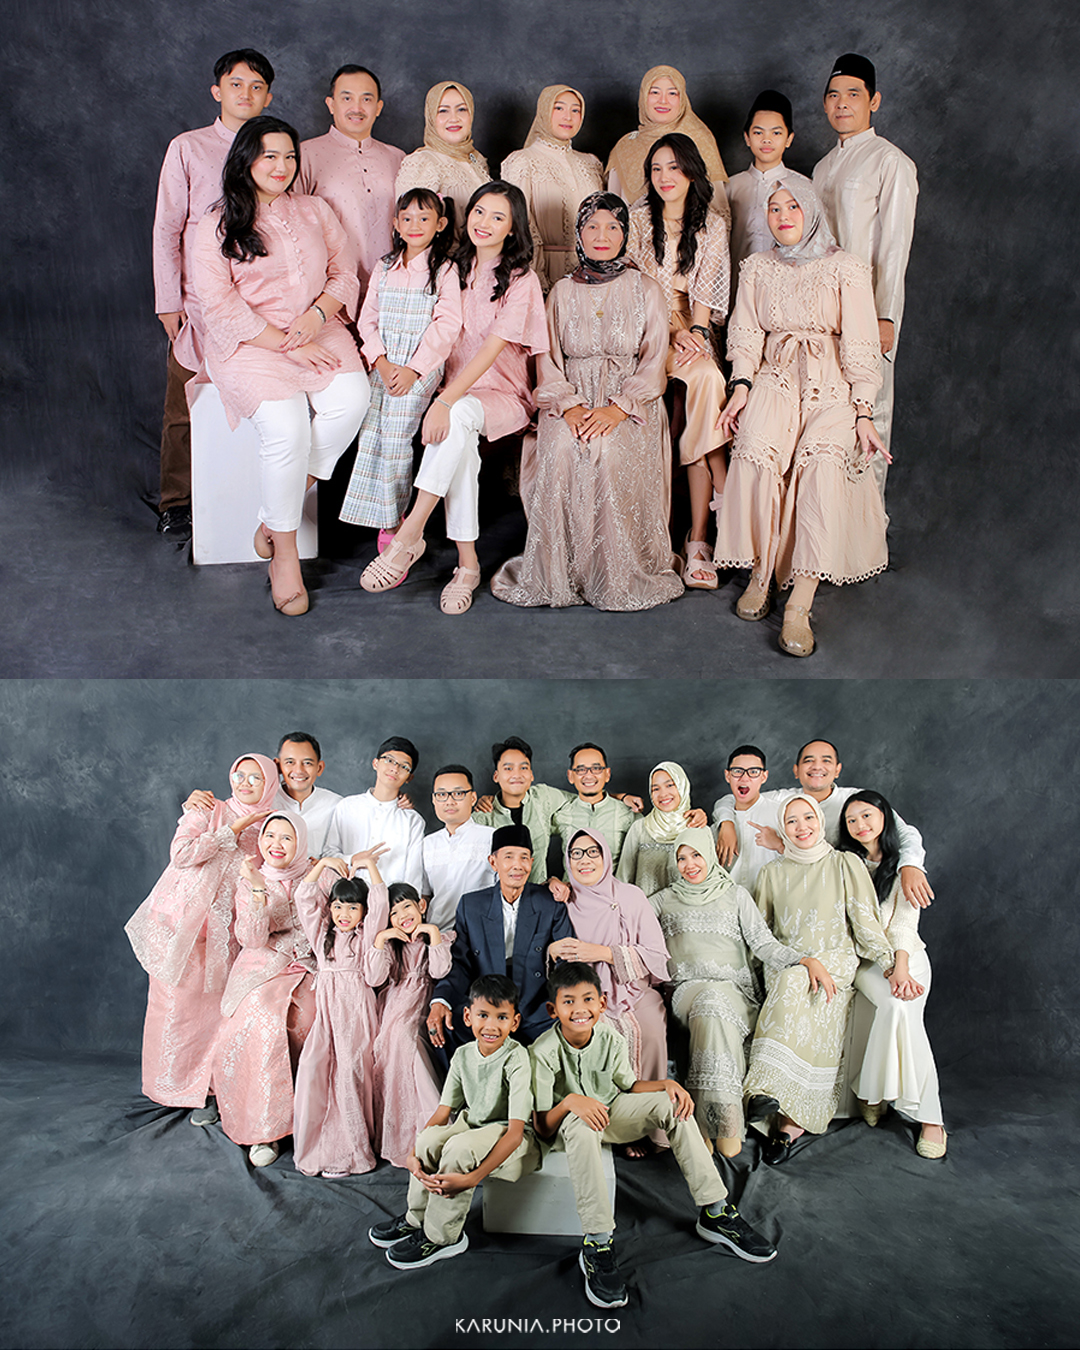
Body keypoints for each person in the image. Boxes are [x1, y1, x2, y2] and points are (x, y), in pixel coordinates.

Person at [191, 115, 370, 616]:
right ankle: (284, 555)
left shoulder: (315, 211)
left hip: (317, 327)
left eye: (290, 156)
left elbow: (345, 273)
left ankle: (275, 514)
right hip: (251, 343)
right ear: (246, 160)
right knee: (287, 429)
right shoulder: (217, 226)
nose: (282, 165)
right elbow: (220, 307)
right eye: (270, 155)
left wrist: (316, 317)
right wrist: (288, 344)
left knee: (354, 401)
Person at [531, 963, 775, 1311]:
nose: (580, 1009)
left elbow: (628, 1087)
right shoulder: (541, 1052)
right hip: (568, 1126)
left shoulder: (609, 1037)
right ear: (553, 1010)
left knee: (671, 1104)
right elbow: (542, 1126)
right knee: (581, 1125)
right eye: (568, 1002)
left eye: (588, 999)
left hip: (611, 1114)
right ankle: (598, 1243)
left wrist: (666, 1085)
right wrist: (571, 1102)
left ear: (601, 1003)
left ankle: (715, 1211)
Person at [714, 179, 889, 656]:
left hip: (831, 382)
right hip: (775, 376)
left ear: (811, 211)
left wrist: (863, 410)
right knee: (753, 451)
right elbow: (746, 332)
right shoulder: (756, 267)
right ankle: (761, 573)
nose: (784, 214)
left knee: (821, 466)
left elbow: (860, 343)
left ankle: (800, 603)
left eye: (793, 206)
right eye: (774, 208)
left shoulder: (847, 268)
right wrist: (741, 387)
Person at [360, 183, 547, 615]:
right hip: (454, 398)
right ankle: (467, 565)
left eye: (498, 217)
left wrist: (445, 401)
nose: (485, 223)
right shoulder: (447, 268)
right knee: (458, 444)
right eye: (480, 212)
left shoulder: (521, 279)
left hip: (503, 394)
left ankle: (411, 532)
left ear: (514, 226)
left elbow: (490, 350)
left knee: (458, 415)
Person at [491, 192, 684, 611]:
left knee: (608, 453)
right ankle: (564, 573)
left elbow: (654, 363)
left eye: (613, 226)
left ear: (625, 234)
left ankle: (614, 574)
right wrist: (570, 406)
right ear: (578, 234)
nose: (602, 235)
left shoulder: (646, 288)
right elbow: (547, 360)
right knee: (561, 449)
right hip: (571, 398)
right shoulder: (560, 291)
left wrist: (618, 407)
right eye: (592, 226)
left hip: (630, 402)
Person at [152, 48, 276, 541]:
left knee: (262, 398)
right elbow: (167, 227)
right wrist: (169, 300)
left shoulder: (274, 148)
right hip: (199, 302)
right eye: (236, 84)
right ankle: (177, 500)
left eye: (257, 86)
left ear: (269, 95)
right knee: (185, 402)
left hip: (262, 305)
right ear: (217, 91)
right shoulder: (189, 147)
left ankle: (252, 496)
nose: (246, 94)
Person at [124, 753, 280, 1124]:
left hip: (224, 935)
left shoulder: (268, 827)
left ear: (269, 785)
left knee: (212, 1012)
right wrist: (230, 831)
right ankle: (171, 1086)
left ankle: (209, 1089)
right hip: (180, 928)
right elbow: (181, 854)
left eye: (255, 779)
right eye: (239, 775)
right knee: (173, 1007)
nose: (244, 783)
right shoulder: (208, 809)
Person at [743, 792, 893, 1164]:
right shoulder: (772, 872)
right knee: (792, 981)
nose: (801, 827)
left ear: (819, 821)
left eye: (807, 818)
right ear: (783, 828)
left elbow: (864, 920)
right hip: (790, 962)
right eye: (791, 821)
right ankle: (783, 1122)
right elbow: (761, 934)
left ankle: (764, 1095)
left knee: (798, 986)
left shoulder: (845, 864)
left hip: (835, 960)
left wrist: (889, 962)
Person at [651, 827, 809, 1156]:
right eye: (681, 857)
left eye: (696, 855)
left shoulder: (735, 894)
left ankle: (707, 1126)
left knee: (717, 1005)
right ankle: (722, 1125)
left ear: (709, 854)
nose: (689, 864)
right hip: (687, 992)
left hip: (735, 992)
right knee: (709, 1002)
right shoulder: (663, 900)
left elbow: (764, 944)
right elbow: (625, 921)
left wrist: (803, 960)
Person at [369, 974, 540, 1269]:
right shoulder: (462, 1055)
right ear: (467, 1016)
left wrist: (473, 1178)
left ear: (514, 1022)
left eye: (501, 1017)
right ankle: (417, 1218)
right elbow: (442, 1112)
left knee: (458, 1148)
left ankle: (443, 1236)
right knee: (430, 1139)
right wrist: (413, 1151)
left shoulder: (517, 1058)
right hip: (473, 1123)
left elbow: (514, 1132)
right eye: (483, 1015)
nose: (491, 1025)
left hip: (511, 1135)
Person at [626, 136, 730, 587]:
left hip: (694, 326)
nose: (665, 177)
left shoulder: (712, 223)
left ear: (691, 171)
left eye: (674, 168)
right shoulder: (635, 218)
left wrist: (698, 336)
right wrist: (671, 331)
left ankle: (697, 539)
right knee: (698, 377)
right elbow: (630, 288)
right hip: (645, 329)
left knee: (706, 373)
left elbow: (705, 298)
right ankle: (721, 488)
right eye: (656, 169)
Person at [813, 53, 918, 495]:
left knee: (870, 411)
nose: (842, 104)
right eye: (834, 95)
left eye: (853, 95)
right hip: (820, 310)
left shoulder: (890, 162)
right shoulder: (820, 168)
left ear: (873, 101)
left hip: (867, 310)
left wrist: (886, 315)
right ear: (824, 105)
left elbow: (895, 248)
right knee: (830, 413)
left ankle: (870, 523)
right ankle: (834, 525)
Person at [339, 189, 461, 543]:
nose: (414, 225)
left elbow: (447, 325)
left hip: (420, 366)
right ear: (395, 223)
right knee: (371, 431)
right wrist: (379, 360)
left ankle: (394, 524)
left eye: (424, 218)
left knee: (396, 437)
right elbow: (368, 320)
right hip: (385, 363)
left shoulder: (445, 269)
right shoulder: (385, 266)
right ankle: (380, 513)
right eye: (406, 218)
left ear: (439, 224)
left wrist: (414, 369)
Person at [837, 792, 945, 1157]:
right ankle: (897, 1102)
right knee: (895, 1008)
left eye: (867, 816)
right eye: (851, 820)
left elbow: (904, 924)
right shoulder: (845, 864)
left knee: (902, 1009)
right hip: (867, 962)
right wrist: (886, 967)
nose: (860, 825)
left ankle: (905, 1107)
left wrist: (899, 967)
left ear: (885, 818)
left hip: (909, 956)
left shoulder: (903, 864)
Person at [211, 811, 317, 1167]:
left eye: (287, 838)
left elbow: (327, 924)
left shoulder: (318, 874)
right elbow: (252, 939)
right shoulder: (251, 878)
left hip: (310, 963)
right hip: (262, 965)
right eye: (270, 836)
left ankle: (313, 1124)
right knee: (261, 1020)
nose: (277, 845)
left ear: (300, 842)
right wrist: (258, 888)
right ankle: (264, 1130)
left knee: (314, 1017)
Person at [715, 738, 933, 907]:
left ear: (837, 769)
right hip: (804, 891)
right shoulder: (785, 800)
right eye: (808, 761)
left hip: (856, 885)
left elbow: (905, 832)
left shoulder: (856, 800)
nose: (817, 766)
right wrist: (726, 824)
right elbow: (738, 796)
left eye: (826, 761)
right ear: (796, 770)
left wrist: (911, 865)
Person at [549, 830, 669, 1104]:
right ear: (568, 861)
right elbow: (542, 949)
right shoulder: (560, 899)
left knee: (650, 1029)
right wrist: (552, 951)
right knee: (592, 1034)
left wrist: (603, 953)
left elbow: (656, 955)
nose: (584, 860)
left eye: (593, 852)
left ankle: (647, 1119)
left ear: (606, 856)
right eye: (576, 853)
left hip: (632, 991)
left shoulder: (630, 896)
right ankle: (611, 1122)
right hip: (582, 996)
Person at [426, 825, 573, 1048]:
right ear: (493, 862)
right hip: (487, 995)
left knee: (565, 1029)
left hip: (535, 1000)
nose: (518, 865)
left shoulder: (550, 903)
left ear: (531, 863)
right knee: (449, 1025)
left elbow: (566, 961)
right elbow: (461, 962)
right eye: (509, 857)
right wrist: (440, 1000)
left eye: (524, 857)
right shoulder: (471, 905)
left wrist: (561, 1000)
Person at [291, 849, 389, 1177]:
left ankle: (355, 1149)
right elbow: (305, 898)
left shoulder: (364, 937)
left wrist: (370, 867)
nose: (343, 913)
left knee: (349, 1072)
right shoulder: (323, 937)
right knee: (314, 1067)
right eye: (337, 905)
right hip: (329, 1013)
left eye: (351, 907)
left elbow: (379, 905)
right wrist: (320, 866)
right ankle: (321, 1140)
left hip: (357, 1011)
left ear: (362, 911)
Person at [298, 65, 405, 306]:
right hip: (329, 293)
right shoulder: (304, 155)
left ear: (378, 107)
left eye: (366, 99)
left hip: (392, 293)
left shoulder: (399, 158)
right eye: (347, 98)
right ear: (331, 104)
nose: (356, 108)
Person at [368, 884, 456, 1168]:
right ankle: (398, 1134)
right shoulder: (394, 947)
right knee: (388, 1042)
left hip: (421, 1000)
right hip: (394, 1003)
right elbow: (375, 978)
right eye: (393, 913)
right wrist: (382, 938)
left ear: (421, 905)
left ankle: (430, 1131)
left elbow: (439, 971)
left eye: (407, 906)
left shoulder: (439, 937)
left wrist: (432, 934)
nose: (402, 915)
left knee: (406, 1040)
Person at [500, 86, 605, 294]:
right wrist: (537, 277)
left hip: (592, 273)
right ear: (544, 111)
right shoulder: (522, 161)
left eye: (575, 110)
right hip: (545, 271)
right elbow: (522, 222)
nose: (568, 116)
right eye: (559, 108)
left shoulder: (591, 163)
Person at [606, 65, 729, 217]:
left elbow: (718, 208)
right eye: (655, 92)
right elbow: (612, 209)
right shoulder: (626, 146)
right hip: (632, 237)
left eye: (672, 93)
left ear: (682, 99)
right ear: (643, 96)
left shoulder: (700, 139)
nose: (663, 101)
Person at [725, 91, 813, 276]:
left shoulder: (805, 187)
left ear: (789, 139)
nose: (766, 140)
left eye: (776, 133)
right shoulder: (729, 187)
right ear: (747, 138)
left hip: (787, 285)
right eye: (758, 132)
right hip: (738, 286)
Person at [325, 737, 426, 890]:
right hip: (346, 904)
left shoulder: (412, 821)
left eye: (404, 767)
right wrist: (352, 859)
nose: (395, 769)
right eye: (389, 760)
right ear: (375, 763)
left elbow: (414, 875)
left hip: (390, 904)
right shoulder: (347, 806)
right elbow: (328, 854)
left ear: (409, 778)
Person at [471, 736, 573, 884]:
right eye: (508, 768)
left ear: (531, 775)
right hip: (500, 900)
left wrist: (616, 796)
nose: (516, 774)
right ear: (496, 776)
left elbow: (580, 799)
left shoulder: (542, 797)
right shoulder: (483, 817)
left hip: (540, 895)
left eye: (523, 768)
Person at [395, 82, 490, 234]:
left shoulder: (475, 158)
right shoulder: (421, 162)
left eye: (461, 109)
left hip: (480, 256)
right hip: (444, 257)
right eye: (443, 111)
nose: (454, 118)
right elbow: (412, 232)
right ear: (431, 117)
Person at [616, 761, 707, 897]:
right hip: (644, 913)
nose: (663, 794)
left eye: (670, 785)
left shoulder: (699, 828)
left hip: (685, 914)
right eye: (655, 789)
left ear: (682, 785)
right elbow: (623, 879)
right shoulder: (640, 828)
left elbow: (710, 879)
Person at [421, 765, 495, 932]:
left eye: (458, 793)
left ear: (473, 797)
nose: (449, 801)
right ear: (433, 800)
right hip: (437, 935)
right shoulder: (427, 844)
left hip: (481, 933)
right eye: (441, 794)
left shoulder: (491, 838)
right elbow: (425, 895)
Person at [551, 743, 637, 871]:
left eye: (596, 768)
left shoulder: (628, 814)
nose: (589, 775)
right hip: (572, 889)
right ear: (570, 776)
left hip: (614, 889)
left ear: (607, 774)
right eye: (581, 769)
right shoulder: (560, 814)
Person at [709, 745, 779, 893]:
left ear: (764, 776)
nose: (744, 778)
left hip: (771, 900)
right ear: (727, 776)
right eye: (737, 771)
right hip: (729, 903)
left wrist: (779, 844)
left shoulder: (780, 813)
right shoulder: (719, 825)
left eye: (753, 772)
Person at [276, 731, 341, 856]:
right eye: (290, 762)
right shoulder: (265, 803)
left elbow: (340, 853)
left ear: (319, 768)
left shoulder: (336, 805)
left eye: (307, 763)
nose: (299, 770)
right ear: (278, 766)